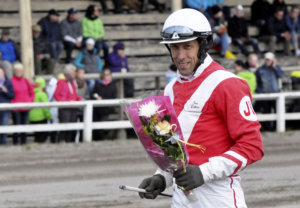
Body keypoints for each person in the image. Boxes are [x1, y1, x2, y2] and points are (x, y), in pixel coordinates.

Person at [138, 9, 264, 207]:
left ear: (204, 44)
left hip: (218, 196)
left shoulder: (228, 84)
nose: (180, 56)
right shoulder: (170, 88)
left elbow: (252, 146)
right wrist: (162, 177)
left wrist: (204, 172)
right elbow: (175, 149)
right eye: (174, 47)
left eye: (187, 47)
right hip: (181, 198)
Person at [255, 52, 284, 131]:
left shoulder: (276, 68)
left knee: (277, 111)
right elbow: (257, 82)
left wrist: (275, 67)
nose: (268, 61)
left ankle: (276, 127)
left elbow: (281, 75)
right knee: (266, 111)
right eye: (267, 60)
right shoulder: (260, 70)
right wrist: (260, 91)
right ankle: (268, 128)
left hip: (276, 94)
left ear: (272, 60)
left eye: (269, 60)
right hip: (265, 94)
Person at [54, 64, 82, 143]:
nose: (75, 74)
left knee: (72, 126)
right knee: (64, 126)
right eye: (74, 72)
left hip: (73, 107)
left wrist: (79, 99)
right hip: (65, 108)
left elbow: (74, 95)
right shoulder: (61, 82)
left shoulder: (72, 82)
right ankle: (60, 141)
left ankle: (69, 142)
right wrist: (65, 101)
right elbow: (56, 95)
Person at [10, 63, 35, 145]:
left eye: (20, 70)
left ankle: (24, 143)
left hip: (25, 107)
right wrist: (13, 104)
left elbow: (32, 92)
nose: (19, 72)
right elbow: (9, 95)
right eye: (17, 70)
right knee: (17, 125)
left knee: (24, 126)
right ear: (14, 71)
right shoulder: (11, 81)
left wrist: (30, 101)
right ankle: (15, 143)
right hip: (16, 108)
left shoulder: (25, 81)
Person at [91, 68, 117, 140]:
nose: (108, 76)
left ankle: (101, 138)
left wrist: (102, 99)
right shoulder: (98, 85)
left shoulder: (113, 86)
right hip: (97, 108)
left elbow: (113, 98)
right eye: (106, 74)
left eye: (109, 74)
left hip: (107, 109)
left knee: (102, 124)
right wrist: (97, 97)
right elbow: (93, 94)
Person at [29, 78, 52, 143]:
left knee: (37, 135)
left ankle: (35, 145)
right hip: (41, 118)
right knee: (44, 134)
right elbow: (46, 108)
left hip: (31, 118)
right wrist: (49, 117)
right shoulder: (42, 94)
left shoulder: (31, 93)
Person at [0, 66, 14, 145]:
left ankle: (4, 142)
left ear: (3, 73)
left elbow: (12, 95)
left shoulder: (8, 82)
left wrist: (6, 91)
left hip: (5, 108)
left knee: (4, 125)